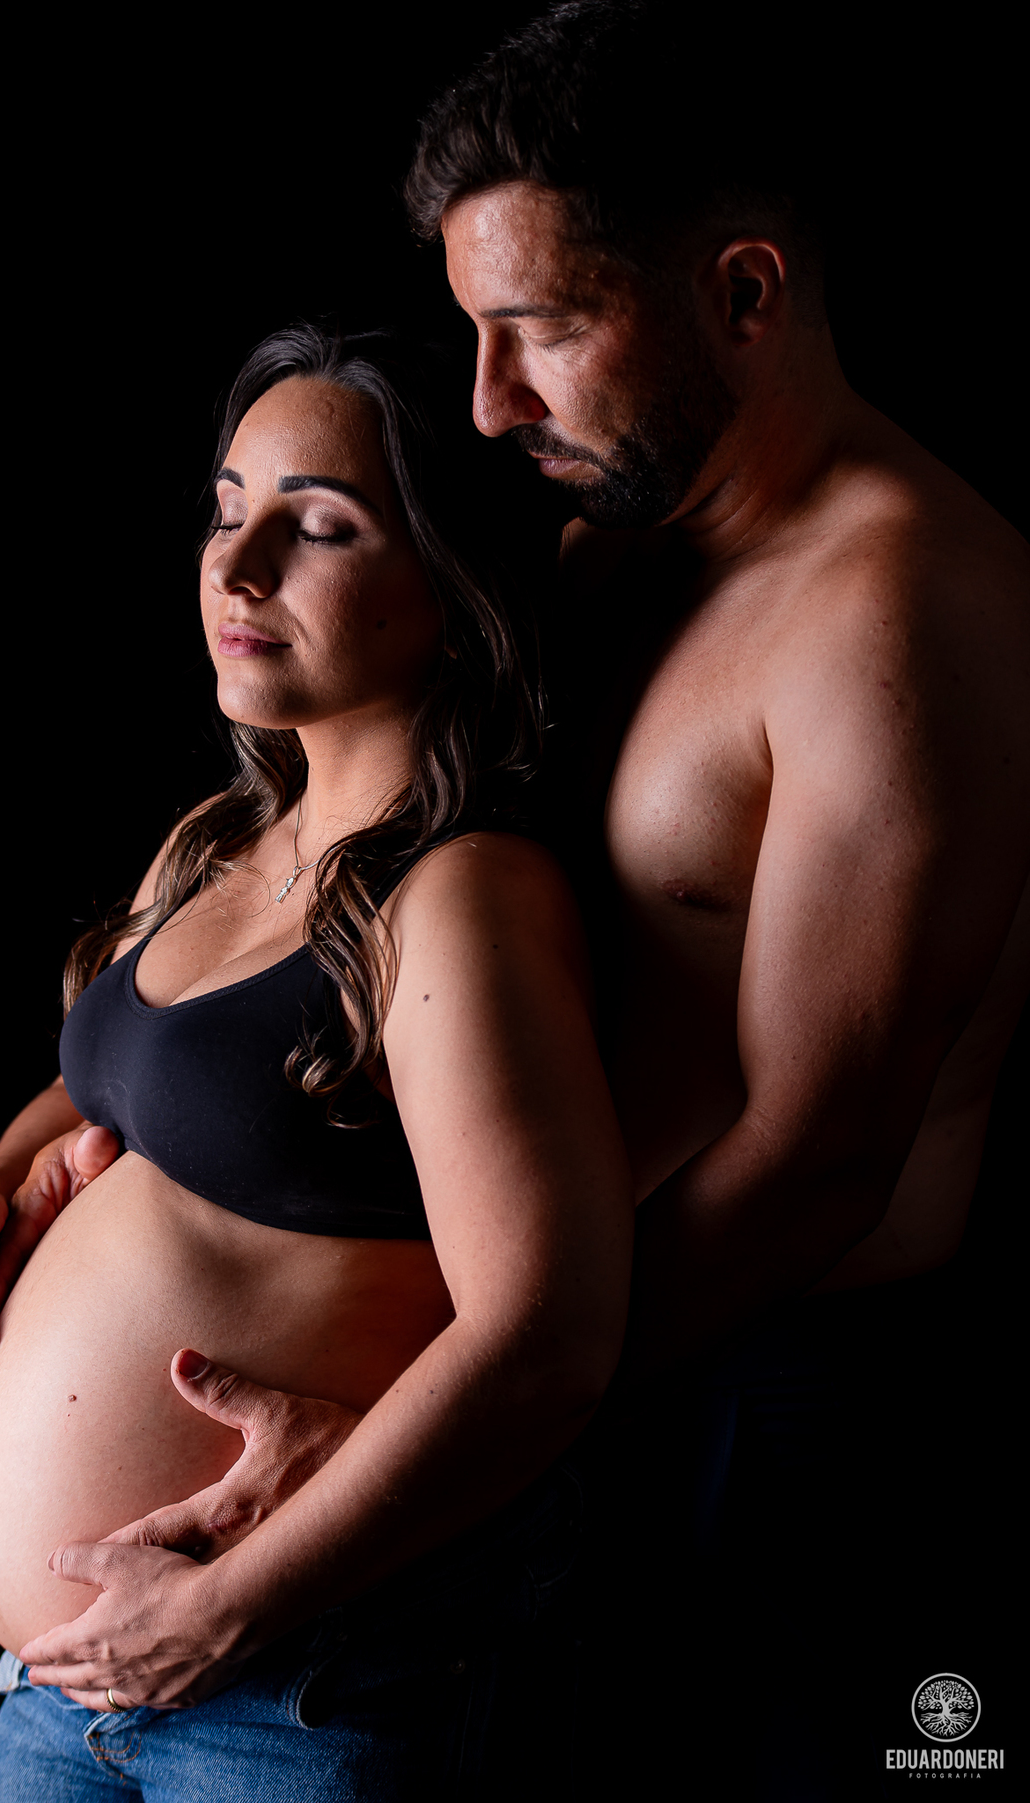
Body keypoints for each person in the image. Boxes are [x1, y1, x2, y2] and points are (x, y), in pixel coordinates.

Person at [404, 2, 1029, 1793]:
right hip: (571, 1376)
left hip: (776, 1410)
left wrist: (449, 1417)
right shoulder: (613, 535)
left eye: (544, 331)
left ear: (744, 294)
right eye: (473, 332)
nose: (487, 402)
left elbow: (821, 1159)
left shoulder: (904, 611)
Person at [0, 324, 632, 1799]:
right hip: (66, 1689)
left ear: (452, 584)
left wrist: (232, 1604)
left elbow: (546, 1332)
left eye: (322, 527)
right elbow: (129, 1098)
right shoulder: (224, 850)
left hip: (287, 1685)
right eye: (231, 511)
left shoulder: (459, 899)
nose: (237, 570)